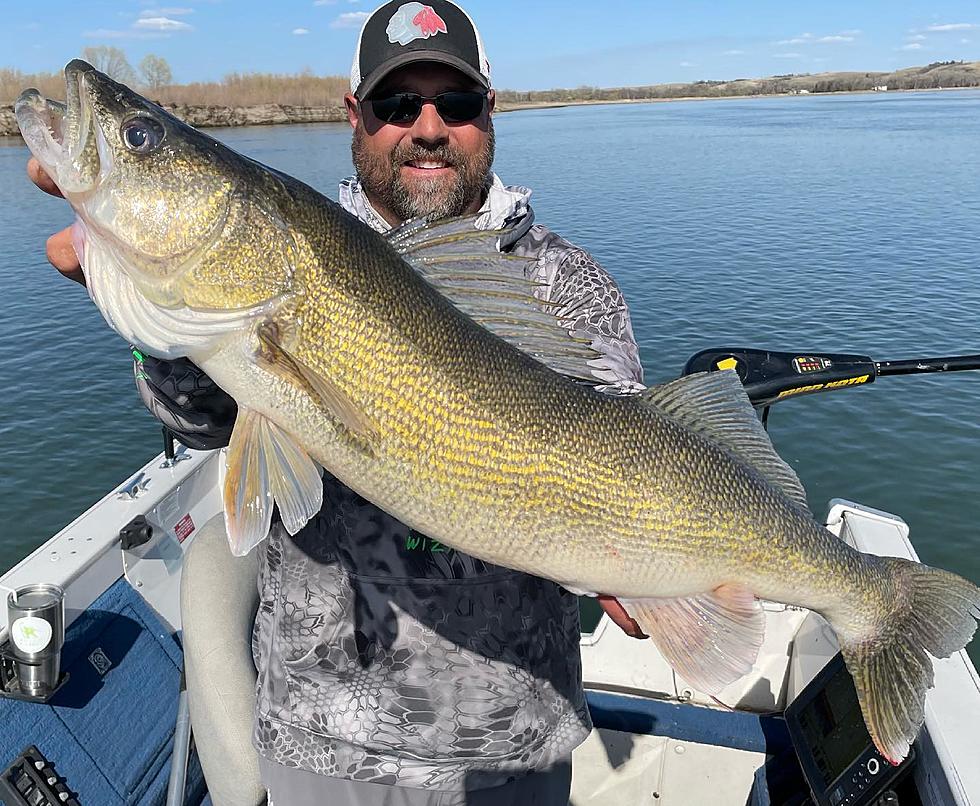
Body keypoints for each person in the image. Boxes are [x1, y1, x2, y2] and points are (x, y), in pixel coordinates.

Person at [28, 2, 647, 803]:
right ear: (355, 116)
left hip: (514, 741)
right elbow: (201, 420)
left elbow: (632, 449)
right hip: (322, 738)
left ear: (489, 114)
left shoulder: (571, 285)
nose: (427, 127)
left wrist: (648, 573)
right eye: (396, 105)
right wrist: (157, 319)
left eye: (454, 104)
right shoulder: (290, 249)